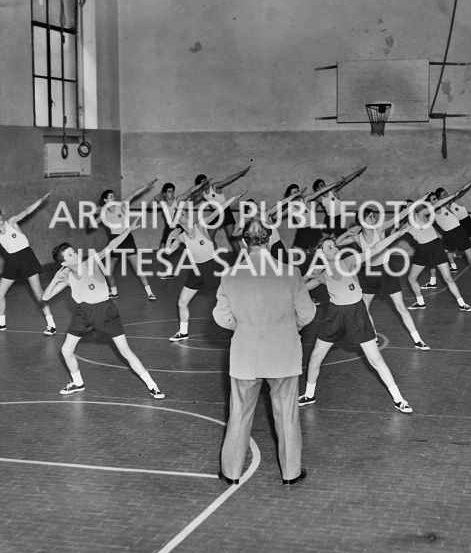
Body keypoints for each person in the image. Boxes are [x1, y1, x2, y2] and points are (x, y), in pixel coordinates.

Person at [213, 217, 317, 485]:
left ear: (245, 243)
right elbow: (307, 313)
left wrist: (245, 327)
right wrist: (285, 328)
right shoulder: (290, 272)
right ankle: (291, 474)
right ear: (270, 239)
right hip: (283, 352)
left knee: (238, 414)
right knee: (287, 416)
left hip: (245, 354)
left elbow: (221, 318)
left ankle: (231, 473)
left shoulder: (230, 275)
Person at [42, 226, 165, 399]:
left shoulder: (91, 262)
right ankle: (78, 383)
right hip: (84, 314)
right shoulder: (67, 277)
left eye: (74, 251)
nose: (75, 255)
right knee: (66, 351)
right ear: (64, 263)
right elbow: (45, 296)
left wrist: (128, 230)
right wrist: (56, 278)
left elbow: (112, 245)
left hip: (106, 310)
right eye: (70, 255)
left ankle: (153, 386)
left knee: (125, 351)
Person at [299, 230, 415, 414]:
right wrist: (307, 275)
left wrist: (400, 232)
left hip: (356, 314)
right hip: (335, 316)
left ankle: (399, 399)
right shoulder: (322, 275)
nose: (335, 248)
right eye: (329, 247)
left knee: (376, 359)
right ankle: (309, 394)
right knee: (315, 358)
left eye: (335, 245)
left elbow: (376, 248)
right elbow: (301, 288)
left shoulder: (348, 262)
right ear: (321, 253)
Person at [338, 206, 431, 350]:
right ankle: (373, 336)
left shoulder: (379, 229)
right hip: (369, 273)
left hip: (387, 271)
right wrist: (347, 232)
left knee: (400, 306)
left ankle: (418, 340)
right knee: (364, 306)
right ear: (362, 221)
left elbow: (399, 216)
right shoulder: (357, 237)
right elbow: (338, 243)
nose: (373, 219)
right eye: (370, 217)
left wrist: (416, 204)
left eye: (373, 216)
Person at [162, 191, 246, 342]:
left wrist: (233, 198)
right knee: (182, 302)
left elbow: (220, 209)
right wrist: (169, 237)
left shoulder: (201, 226)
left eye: (185, 213)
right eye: (181, 214)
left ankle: (243, 324)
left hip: (210, 268)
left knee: (225, 299)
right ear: (177, 220)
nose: (185, 215)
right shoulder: (181, 237)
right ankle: (183, 332)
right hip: (196, 271)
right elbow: (168, 251)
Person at [0, 192, 56, 334]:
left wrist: (40, 200)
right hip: (12, 262)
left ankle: (51, 324)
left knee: (38, 293)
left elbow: (27, 211)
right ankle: (1, 323)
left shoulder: (11, 222)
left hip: (26, 257)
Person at [429, 171, 471, 292]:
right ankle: (432, 281)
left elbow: (460, 191)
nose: (434, 200)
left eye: (434, 198)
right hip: (448, 236)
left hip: (459, 233)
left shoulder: (444, 204)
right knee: (435, 257)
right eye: (432, 199)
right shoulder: (430, 211)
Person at [97, 181, 158, 300]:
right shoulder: (103, 213)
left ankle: (150, 292)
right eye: (111, 197)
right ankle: (114, 292)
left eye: (114, 196)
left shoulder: (121, 205)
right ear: (105, 200)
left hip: (126, 239)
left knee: (137, 268)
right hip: (115, 241)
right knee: (108, 271)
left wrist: (146, 186)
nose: (114, 198)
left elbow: (134, 194)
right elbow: (92, 223)